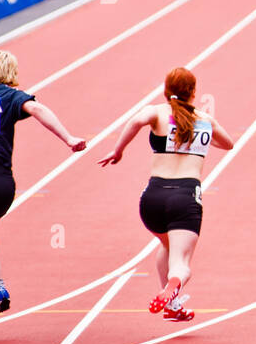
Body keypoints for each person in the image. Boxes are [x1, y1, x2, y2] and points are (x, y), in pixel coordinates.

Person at [0, 50, 86, 344]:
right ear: (8, 72)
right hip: (0, 185)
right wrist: (68, 137)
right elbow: (38, 109)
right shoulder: (9, 97)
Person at [98, 67, 234, 321]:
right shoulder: (205, 120)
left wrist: (118, 151)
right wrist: (201, 141)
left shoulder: (156, 112)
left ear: (166, 90)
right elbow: (228, 143)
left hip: (152, 198)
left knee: (167, 245)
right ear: (193, 92)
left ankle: (172, 306)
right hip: (185, 196)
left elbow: (135, 121)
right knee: (181, 263)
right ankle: (172, 287)